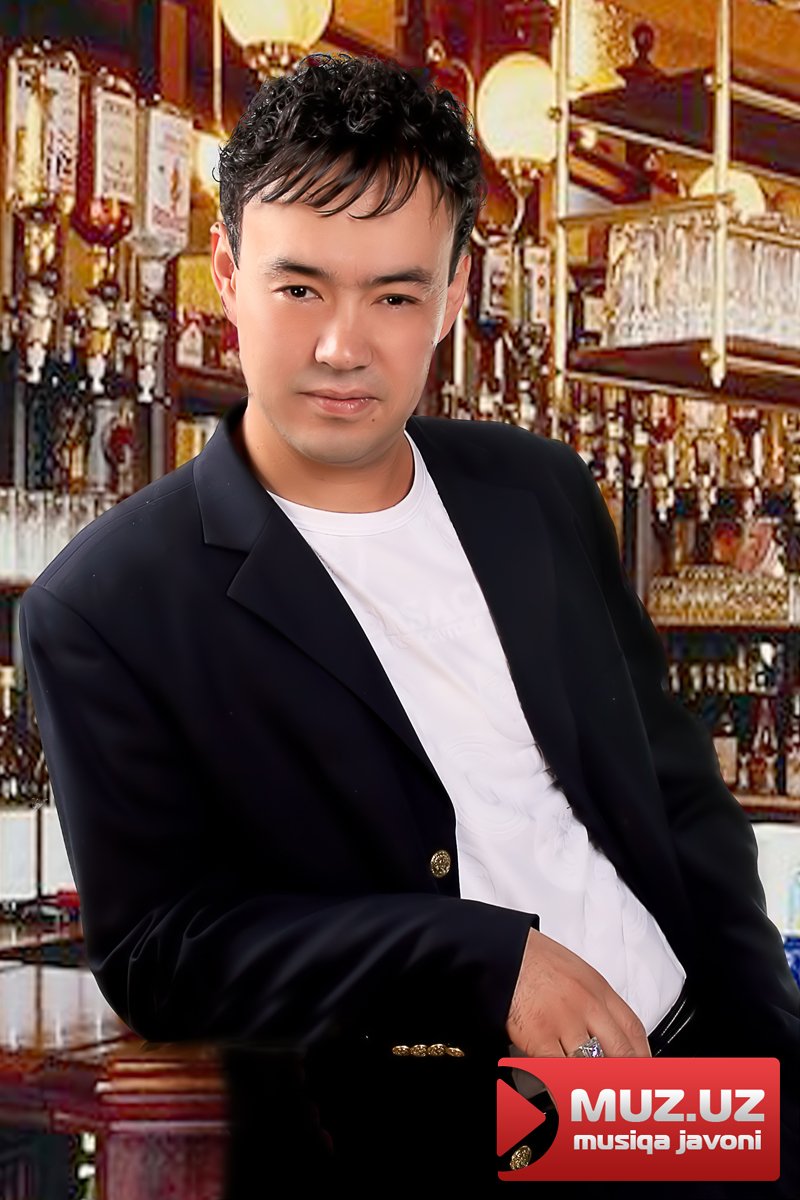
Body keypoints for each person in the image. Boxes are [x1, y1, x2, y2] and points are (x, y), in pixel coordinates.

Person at [19, 52, 798, 1197]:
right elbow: (162, 954)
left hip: (699, 1088)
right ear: (226, 275)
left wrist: (766, 1056)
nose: (344, 345)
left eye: (393, 295)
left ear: (451, 293)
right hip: (473, 1129)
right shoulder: (104, 605)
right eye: (299, 289)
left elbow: (672, 802)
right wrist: (479, 956)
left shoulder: (532, 487)